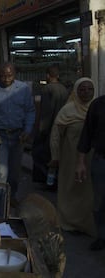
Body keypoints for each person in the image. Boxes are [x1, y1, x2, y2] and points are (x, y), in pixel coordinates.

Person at [0, 62, 35, 210]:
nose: (6, 79)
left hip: (18, 136)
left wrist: (28, 129)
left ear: (15, 74)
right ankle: (0, 207)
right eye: (3, 76)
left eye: (9, 75)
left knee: (15, 173)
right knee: (1, 172)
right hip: (0, 136)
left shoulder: (23, 90)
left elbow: (30, 110)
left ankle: (11, 197)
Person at [49, 77, 96, 238]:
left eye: (89, 89)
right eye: (82, 89)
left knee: (90, 192)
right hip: (70, 157)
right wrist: (55, 156)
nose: (86, 93)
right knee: (70, 188)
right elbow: (55, 134)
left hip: (92, 158)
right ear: (76, 91)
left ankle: (88, 224)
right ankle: (68, 222)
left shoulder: (97, 108)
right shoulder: (67, 110)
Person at [76, 93, 105, 251]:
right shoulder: (98, 105)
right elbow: (86, 134)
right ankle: (102, 236)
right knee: (100, 203)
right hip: (101, 161)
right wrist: (80, 162)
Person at [32, 65, 69, 185]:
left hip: (49, 130)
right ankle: (54, 181)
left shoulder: (47, 89)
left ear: (48, 75)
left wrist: (41, 130)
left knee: (44, 156)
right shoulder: (64, 89)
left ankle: (48, 181)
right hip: (62, 128)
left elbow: (45, 113)